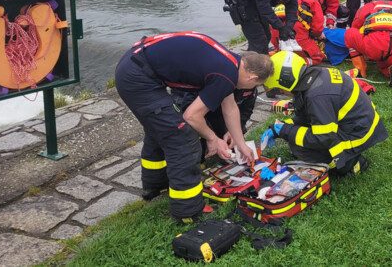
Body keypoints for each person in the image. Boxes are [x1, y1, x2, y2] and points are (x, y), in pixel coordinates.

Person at [114, 32, 273, 223]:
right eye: (256, 85)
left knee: (161, 128)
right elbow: (191, 116)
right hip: (137, 77)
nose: (248, 91)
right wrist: (213, 139)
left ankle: (155, 186)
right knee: (181, 137)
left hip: (136, 63)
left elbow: (229, 108)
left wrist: (241, 145)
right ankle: (187, 212)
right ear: (252, 77)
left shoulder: (232, 64)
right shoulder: (226, 75)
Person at [260, 51, 388, 175]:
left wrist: (285, 131)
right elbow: (305, 116)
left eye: (280, 89)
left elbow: (323, 138)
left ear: (285, 81)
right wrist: (279, 127)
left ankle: (350, 163)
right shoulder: (314, 76)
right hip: (358, 123)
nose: (281, 93)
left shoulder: (316, 96)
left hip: (358, 133)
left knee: (301, 149)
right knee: (297, 137)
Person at [344, 0, 392, 87]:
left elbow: (354, 27)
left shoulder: (367, 7)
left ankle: (360, 70)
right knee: (386, 64)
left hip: (375, 46)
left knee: (349, 33)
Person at [270, 0, 326, 65]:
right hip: (296, 37)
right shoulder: (314, 2)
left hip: (275, 37)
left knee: (283, 51)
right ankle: (296, 64)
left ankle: (273, 57)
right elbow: (317, 29)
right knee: (317, 57)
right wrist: (319, 35)